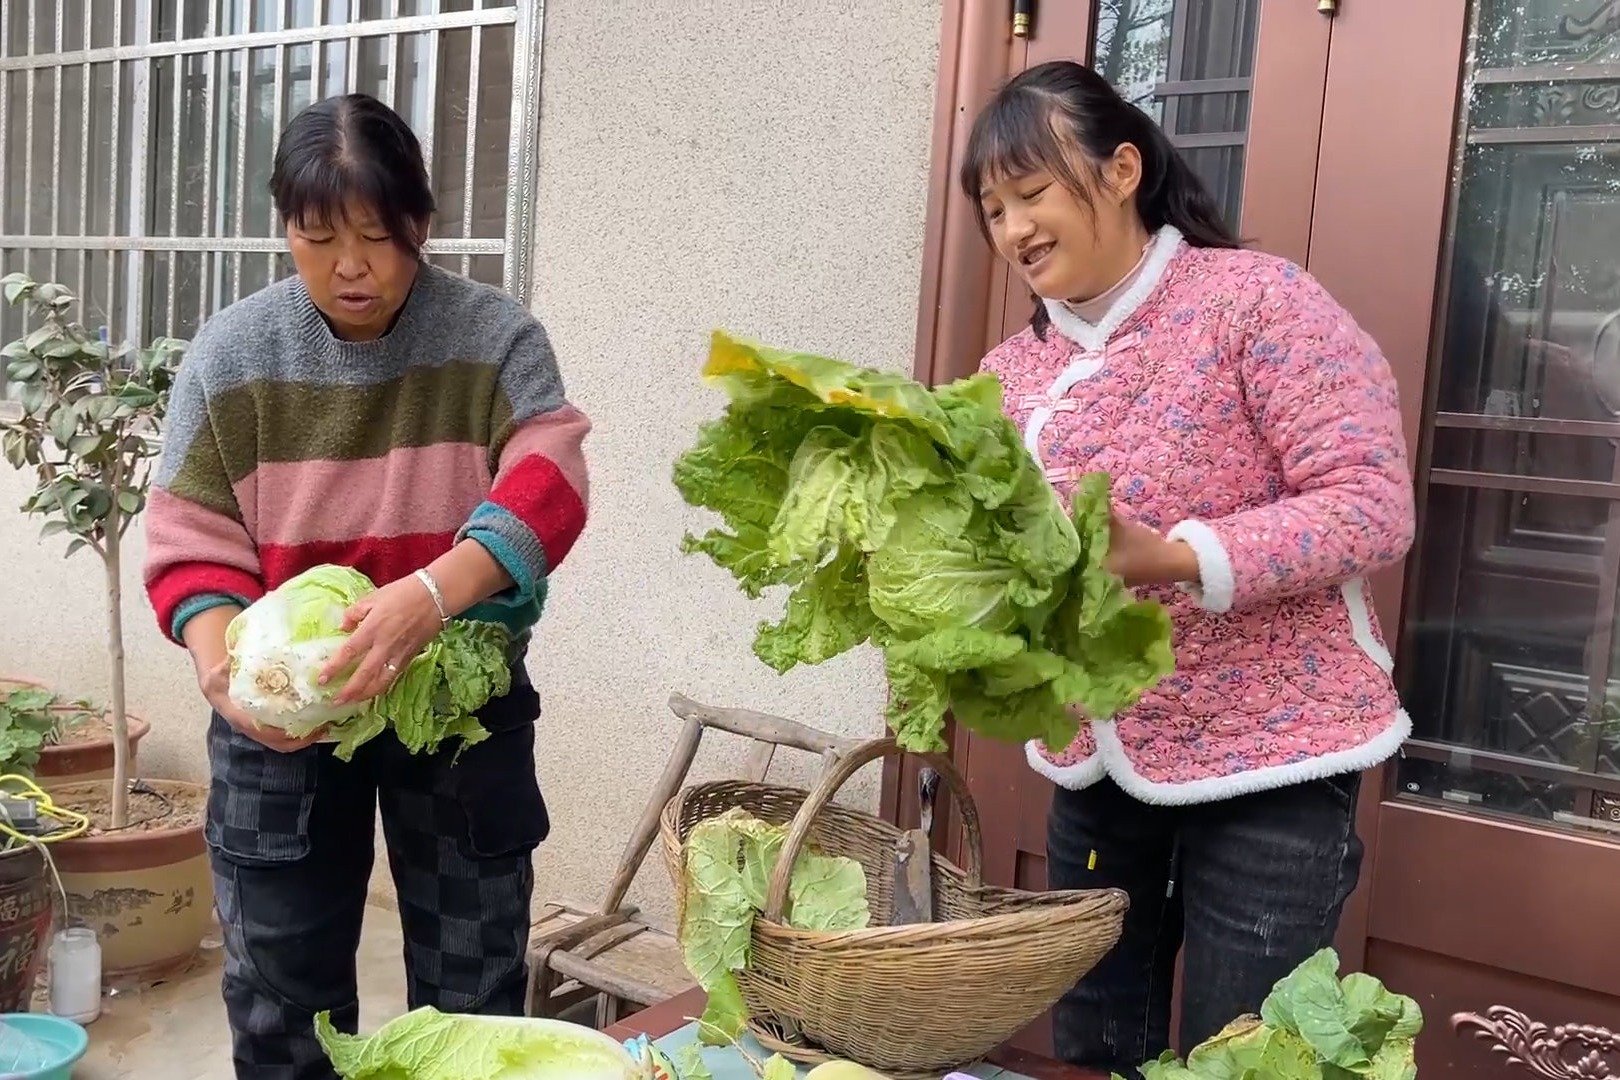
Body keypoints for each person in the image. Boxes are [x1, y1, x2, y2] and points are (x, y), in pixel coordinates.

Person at [961, 61, 1415, 1074]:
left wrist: (1172, 556)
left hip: (1274, 760)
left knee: (1241, 1050)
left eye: (1032, 192)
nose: (1014, 228)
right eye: (994, 210)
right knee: (1092, 1043)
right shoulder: (1010, 373)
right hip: (1097, 761)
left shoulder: (1259, 303)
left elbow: (1372, 506)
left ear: (1122, 169)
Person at [142, 93, 590, 1080]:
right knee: (281, 1008)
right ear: (285, 231)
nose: (351, 266)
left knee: (475, 1005)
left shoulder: (497, 340)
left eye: (379, 237)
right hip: (288, 718)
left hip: (459, 701)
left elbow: (548, 485)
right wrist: (227, 679)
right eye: (319, 237)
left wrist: (431, 597)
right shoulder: (232, 354)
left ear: (419, 225)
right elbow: (189, 536)